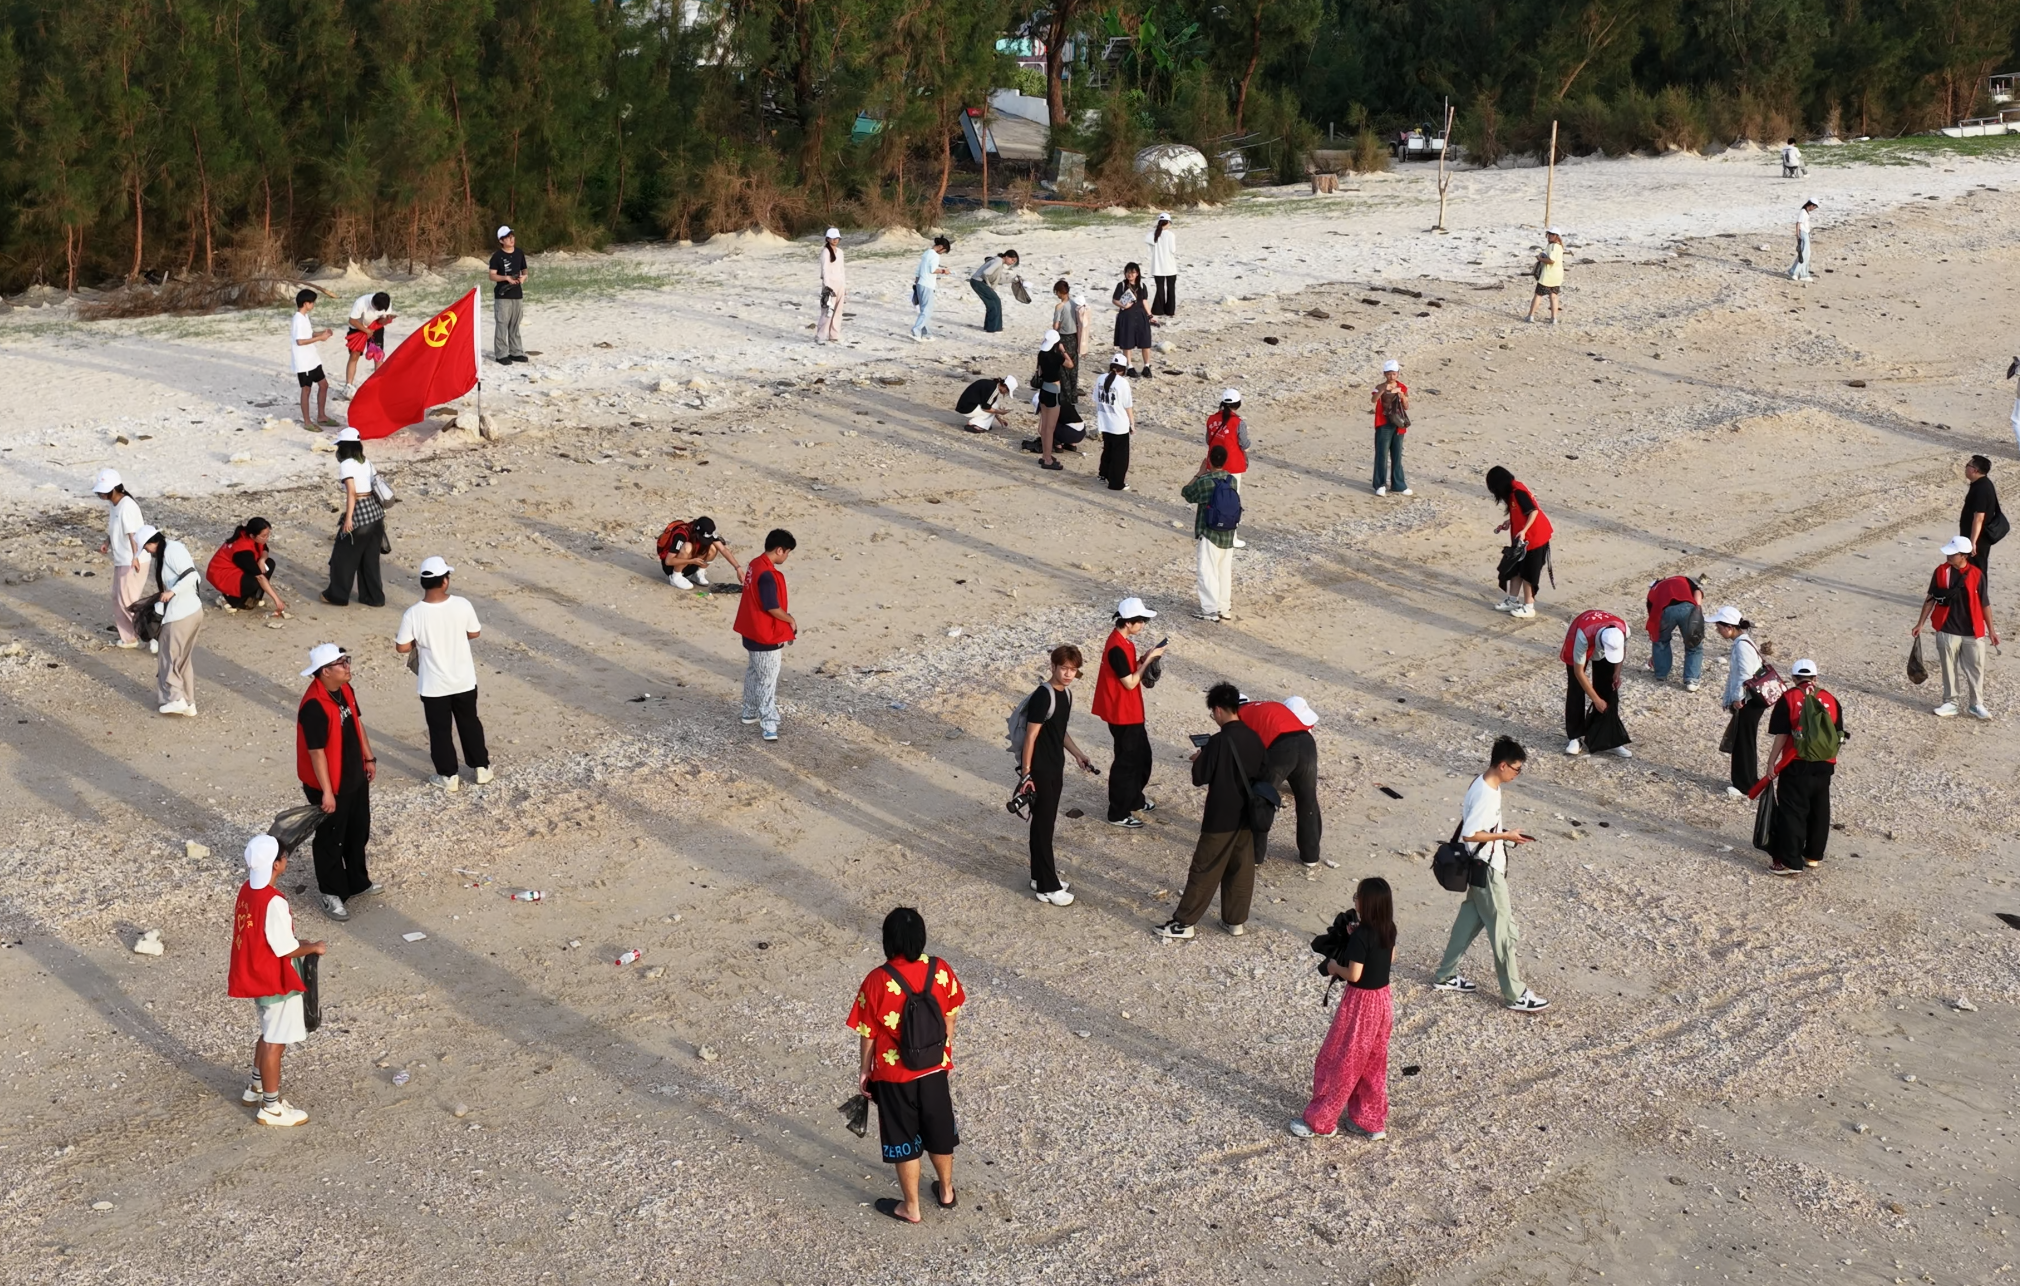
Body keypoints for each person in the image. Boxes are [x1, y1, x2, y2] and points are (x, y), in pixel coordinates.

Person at [846, 907, 964, 1224]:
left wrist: (865, 1069)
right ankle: (947, 1191)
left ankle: (911, 1207)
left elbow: (868, 1032)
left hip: (894, 1075)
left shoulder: (877, 980)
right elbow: (951, 1014)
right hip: (935, 1068)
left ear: (888, 940)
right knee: (939, 1130)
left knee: (904, 1138)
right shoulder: (940, 969)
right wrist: (941, 1051)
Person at [1434, 736, 1548, 1012]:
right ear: (1502, 765)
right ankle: (1514, 994)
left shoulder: (1483, 782)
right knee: (1504, 932)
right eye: (1516, 769)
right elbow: (1470, 834)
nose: (1517, 774)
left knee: (1467, 924)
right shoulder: (1487, 793)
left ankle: (1445, 976)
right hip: (1487, 870)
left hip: (1480, 866)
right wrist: (1505, 836)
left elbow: (1481, 828)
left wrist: (1506, 836)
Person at [228, 834, 326, 1127]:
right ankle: (270, 1107)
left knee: (268, 1031)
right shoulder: (274, 901)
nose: (286, 861)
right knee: (275, 1041)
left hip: (256, 974)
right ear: (276, 864)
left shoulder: (247, 890)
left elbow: (262, 936)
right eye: (284, 857)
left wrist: (299, 943)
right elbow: (284, 948)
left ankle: (255, 1086)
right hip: (276, 979)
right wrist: (313, 947)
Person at [1288, 876, 1395, 1141]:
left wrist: (1334, 967)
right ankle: (1370, 1121)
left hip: (1360, 1006)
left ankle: (1321, 1121)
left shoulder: (1361, 936)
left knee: (1339, 1060)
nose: (1355, 901)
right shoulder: (1389, 928)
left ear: (1366, 903)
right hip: (1382, 1001)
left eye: (1357, 896)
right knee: (1373, 1063)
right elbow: (1391, 956)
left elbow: (1354, 975)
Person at [1158, 682, 1265, 938]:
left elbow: (1200, 777)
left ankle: (1183, 924)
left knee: (1204, 869)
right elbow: (1265, 771)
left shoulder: (1218, 741)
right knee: (1240, 869)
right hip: (1248, 816)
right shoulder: (1254, 737)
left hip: (1221, 816)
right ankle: (1234, 921)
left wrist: (1200, 758)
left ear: (1217, 710)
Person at [295, 643, 380, 920]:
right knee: (331, 838)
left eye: (347, 660)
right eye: (341, 663)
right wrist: (327, 793)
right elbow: (316, 753)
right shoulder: (313, 706)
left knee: (358, 831)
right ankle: (331, 893)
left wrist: (369, 758)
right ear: (325, 672)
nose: (347, 667)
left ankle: (357, 882)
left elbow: (357, 722)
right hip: (328, 784)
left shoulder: (345, 689)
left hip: (354, 774)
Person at [396, 556, 493, 791]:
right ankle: (481, 768)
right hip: (463, 679)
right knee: (469, 722)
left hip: (433, 684)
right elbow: (474, 632)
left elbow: (402, 647)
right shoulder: (462, 604)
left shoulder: (413, 613)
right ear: (445, 581)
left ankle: (449, 776)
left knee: (439, 730)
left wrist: (419, 641)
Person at [1017, 644, 1097, 905]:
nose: (1068, 674)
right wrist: (1026, 774)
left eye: (1073, 669)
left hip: (1055, 766)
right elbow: (1031, 736)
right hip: (1040, 769)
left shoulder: (1067, 695)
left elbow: (1058, 731)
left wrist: (1078, 754)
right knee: (1043, 826)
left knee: (1045, 823)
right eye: (1064, 668)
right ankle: (1048, 887)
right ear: (1053, 666)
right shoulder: (1044, 695)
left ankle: (1039, 876)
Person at [1755, 659, 1846, 876]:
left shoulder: (1789, 698)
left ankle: (1790, 862)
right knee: (1819, 809)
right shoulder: (1830, 699)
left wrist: (1771, 763)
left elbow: (1782, 735)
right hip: (1824, 765)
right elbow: (1838, 734)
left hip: (1796, 763)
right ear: (1815, 678)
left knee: (1793, 811)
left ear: (1794, 678)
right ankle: (1813, 856)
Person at [1090, 600, 1166, 830]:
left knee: (1141, 757)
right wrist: (1148, 661)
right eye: (1140, 621)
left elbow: (1130, 670)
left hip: (1130, 712)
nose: (1143, 624)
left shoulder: (1122, 642)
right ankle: (1118, 812)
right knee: (1126, 763)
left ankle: (1134, 799)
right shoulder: (1116, 647)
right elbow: (1130, 682)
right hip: (1122, 714)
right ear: (1128, 622)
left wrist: (1143, 659)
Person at [1914, 536, 1997, 719]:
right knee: (1948, 667)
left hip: (1972, 631)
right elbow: (1930, 598)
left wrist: (1991, 631)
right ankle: (1950, 703)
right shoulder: (1941, 571)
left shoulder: (1977, 574)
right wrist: (1920, 623)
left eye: (1952, 554)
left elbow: (1985, 604)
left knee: (1975, 668)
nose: (1948, 556)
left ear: (1963, 555)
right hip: (1947, 628)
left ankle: (1976, 704)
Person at [1240, 695, 1322, 868]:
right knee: (1308, 799)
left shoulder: (1238, 717)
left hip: (1283, 748)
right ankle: (1311, 856)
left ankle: (1255, 855)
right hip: (1307, 743)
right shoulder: (1264, 707)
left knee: (1262, 796)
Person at [735, 529, 797, 742]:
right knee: (767, 679)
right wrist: (790, 619)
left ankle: (749, 711)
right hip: (765, 635)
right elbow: (772, 607)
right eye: (787, 552)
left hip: (750, 631)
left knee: (754, 672)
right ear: (779, 550)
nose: (786, 556)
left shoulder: (755, 564)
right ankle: (769, 722)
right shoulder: (768, 576)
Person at [139, 526, 204, 717]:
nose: (146, 551)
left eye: (145, 547)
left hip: (180, 615)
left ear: (152, 543)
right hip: (192, 611)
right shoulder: (171, 548)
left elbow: (193, 575)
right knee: (182, 660)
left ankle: (176, 699)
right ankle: (189, 702)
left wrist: (172, 592)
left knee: (168, 657)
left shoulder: (171, 551)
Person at [1711, 605, 1774, 798]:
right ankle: (1747, 781)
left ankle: (1745, 785)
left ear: (1729, 627)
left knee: (1743, 741)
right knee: (1744, 740)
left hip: (1749, 701)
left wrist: (1738, 698)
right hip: (1752, 700)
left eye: (1719, 627)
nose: (1718, 631)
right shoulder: (1744, 642)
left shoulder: (1741, 645)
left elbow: (1745, 675)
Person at [322, 430, 385, 608]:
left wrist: (349, 518)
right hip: (376, 513)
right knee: (370, 559)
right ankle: (374, 597)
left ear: (344, 447)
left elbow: (352, 492)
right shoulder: (366, 462)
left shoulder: (347, 465)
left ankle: (338, 595)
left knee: (343, 558)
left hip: (360, 514)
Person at [92, 468, 152, 651]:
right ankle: (129, 637)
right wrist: (107, 541)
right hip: (122, 559)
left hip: (132, 560)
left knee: (128, 602)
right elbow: (116, 528)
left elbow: (133, 534)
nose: (101, 494)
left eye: (103, 491)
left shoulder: (127, 506)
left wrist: (135, 557)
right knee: (118, 599)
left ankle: (152, 634)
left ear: (114, 489)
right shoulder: (115, 503)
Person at [1562, 609, 1631, 758]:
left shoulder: (1623, 630)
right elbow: (1579, 672)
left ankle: (1608, 739)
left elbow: (1622, 650)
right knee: (1576, 688)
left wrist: (1617, 672)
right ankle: (1575, 737)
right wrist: (1596, 700)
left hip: (1601, 639)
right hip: (1583, 633)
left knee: (1609, 687)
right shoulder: (1582, 635)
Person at [1183, 444, 1239, 622]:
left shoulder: (1205, 482)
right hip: (1228, 532)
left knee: (1207, 571)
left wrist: (1199, 473)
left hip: (1209, 532)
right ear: (1225, 461)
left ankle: (1209, 610)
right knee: (1224, 571)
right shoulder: (1232, 480)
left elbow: (1186, 493)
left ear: (1209, 461)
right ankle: (1224, 608)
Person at [1487, 465, 1552, 618]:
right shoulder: (1513, 492)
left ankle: (1529, 606)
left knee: (1528, 573)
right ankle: (1512, 600)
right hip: (1523, 540)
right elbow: (1521, 512)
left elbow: (1533, 511)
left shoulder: (1518, 492)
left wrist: (1524, 530)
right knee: (1515, 569)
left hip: (1535, 538)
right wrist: (1510, 522)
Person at [207, 517, 286, 616]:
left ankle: (253, 597)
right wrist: (277, 600)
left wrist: (262, 560)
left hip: (237, 568)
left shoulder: (251, 535)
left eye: (268, 535)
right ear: (252, 535)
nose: (267, 538)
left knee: (269, 564)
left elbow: (265, 549)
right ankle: (228, 598)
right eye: (264, 536)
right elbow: (260, 577)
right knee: (254, 581)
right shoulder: (242, 551)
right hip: (223, 575)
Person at [1645, 574, 1706, 692]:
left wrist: (1655, 656)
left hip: (1664, 610)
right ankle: (1692, 680)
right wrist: (1697, 610)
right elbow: (1697, 592)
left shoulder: (1653, 591)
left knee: (1661, 642)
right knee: (1693, 644)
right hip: (1687, 607)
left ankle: (1661, 674)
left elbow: (1653, 620)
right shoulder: (1682, 579)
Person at [290, 288, 338, 429]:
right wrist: (320, 338)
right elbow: (300, 341)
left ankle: (321, 416)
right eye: (312, 302)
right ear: (306, 303)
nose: (313, 305)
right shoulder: (298, 319)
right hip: (303, 362)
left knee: (324, 385)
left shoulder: (305, 317)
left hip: (313, 359)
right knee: (306, 390)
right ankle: (307, 422)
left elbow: (308, 334)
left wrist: (322, 333)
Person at [656, 515, 742, 589]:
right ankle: (676, 577)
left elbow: (723, 549)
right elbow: (668, 561)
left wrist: (738, 568)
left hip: (692, 563)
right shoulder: (681, 535)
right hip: (672, 567)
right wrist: (691, 561)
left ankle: (698, 574)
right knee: (687, 547)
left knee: (713, 547)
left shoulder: (708, 532)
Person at [1960, 455, 2003, 601]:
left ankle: (1980, 600)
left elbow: (1979, 517)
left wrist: (1973, 542)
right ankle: (1971, 597)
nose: (1965, 467)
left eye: (1968, 465)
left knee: (1977, 568)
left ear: (1975, 470)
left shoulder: (1982, 488)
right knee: (1971, 567)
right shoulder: (1980, 484)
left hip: (1978, 537)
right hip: (1975, 536)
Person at [1030, 329, 1073, 470]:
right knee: (1050, 428)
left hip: (1043, 390)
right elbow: (1070, 364)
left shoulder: (1041, 354)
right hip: (1053, 391)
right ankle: (1048, 459)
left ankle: (1045, 456)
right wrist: (1063, 351)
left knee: (1044, 427)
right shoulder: (1056, 356)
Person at [1093, 355, 1136, 491]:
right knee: (1120, 455)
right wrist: (1132, 423)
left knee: (1108, 449)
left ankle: (1103, 474)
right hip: (1119, 424)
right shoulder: (1122, 383)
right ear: (1123, 369)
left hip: (1105, 422)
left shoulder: (1100, 378)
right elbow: (1127, 405)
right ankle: (1116, 483)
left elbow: (1096, 399)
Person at [341, 290, 395, 396]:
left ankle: (378, 383)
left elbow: (381, 321)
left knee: (378, 355)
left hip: (376, 328)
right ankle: (348, 385)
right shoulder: (361, 302)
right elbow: (352, 320)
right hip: (357, 328)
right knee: (354, 355)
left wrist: (387, 320)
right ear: (374, 304)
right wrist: (366, 331)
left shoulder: (386, 304)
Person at [1371, 359, 1410, 497]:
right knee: (1382, 454)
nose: (1391, 376)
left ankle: (1398, 485)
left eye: (1393, 373)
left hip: (1398, 424)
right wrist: (1383, 390)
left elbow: (1406, 406)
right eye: (1388, 374)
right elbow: (1373, 400)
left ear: (1398, 373)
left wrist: (1402, 395)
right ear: (1384, 374)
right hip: (1383, 424)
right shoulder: (1380, 386)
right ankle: (1380, 484)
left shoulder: (1402, 387)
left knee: (1397, 455)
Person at [490, 226, 528, 362]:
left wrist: (523, 277)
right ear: (501, 240)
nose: (511, 240)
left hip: (517, 294)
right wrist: (506, 278)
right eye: (508, 237)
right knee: (502, 324)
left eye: (512, 236)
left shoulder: (519, 253)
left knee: (515, 324)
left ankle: (516, 352)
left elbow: (524, 269)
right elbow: (492, 275)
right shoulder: (497, 256)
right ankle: (501, 354)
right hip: (503, 295)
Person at [1112, 263, 1153, 377]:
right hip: (1126, 316)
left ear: (1137, 273)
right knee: (1127, 342)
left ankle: (1147, 366)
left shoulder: (1142, 285)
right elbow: (1115, 300)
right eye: (1128, 272)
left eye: (1133, 272)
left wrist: (1150, 315)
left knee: (1145, 342)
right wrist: (1124, 306)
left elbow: (1144, 301)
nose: (1130, 275)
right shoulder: (1121, 285)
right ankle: (1129, 366)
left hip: (1141, 316)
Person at [968, 249, 1018, 333]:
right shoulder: (998, 261)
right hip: (978, 282)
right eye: (1012, 259)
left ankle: (992, 327)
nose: (1012, 262)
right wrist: (988, 285)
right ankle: (993, 328)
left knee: (993, 302)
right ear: (1006, 256)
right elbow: (986, 272)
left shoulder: (998, 261)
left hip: (977, 281)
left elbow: (997, 278)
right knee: (995, 301)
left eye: (1014, 261)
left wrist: (1012, 280)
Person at [911, 235, 951, 341]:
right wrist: (944, 271)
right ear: (941, 247)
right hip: (927, 284)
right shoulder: (935, 255)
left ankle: (926, 334)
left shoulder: (927, 253)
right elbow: (933, 270)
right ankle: (916, 330)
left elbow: (918, 269)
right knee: (927, 311)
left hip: (920, 283)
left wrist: (917, 281)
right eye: (944, 251)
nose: (942, 253)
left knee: (924, 310)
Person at [1050, 280, 1081, 402]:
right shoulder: (1075, 304)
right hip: (1074, 338)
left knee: (1063, 370)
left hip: (1063, 338)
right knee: (1074, 369)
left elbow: (1055, 326)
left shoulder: (1059, 306)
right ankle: (1074, 396)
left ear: (1059, 292)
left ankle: (1066, 397)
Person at [1525, 228, 1565, 324]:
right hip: (1557, 275)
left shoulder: (1553, 246)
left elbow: (1551, 260)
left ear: (1557, 236)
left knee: (1538, 295)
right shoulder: (1559, 247)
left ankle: (1531, 316)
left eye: (1552, 234)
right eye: (1549, 234)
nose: (1550, 236)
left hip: (1548, 275)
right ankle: (1554, 318)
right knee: (1553, 295)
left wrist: (1540, 258)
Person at [1146, 212, 1178, 324]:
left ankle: (1158, 310)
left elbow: (1149, 248)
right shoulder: (1170, 235)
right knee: (1171, 289)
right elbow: (1173, 250)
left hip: (1157, 266)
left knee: (1160, 288)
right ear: (1168, 222)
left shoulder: (1152, 234)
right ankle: (1170, 310)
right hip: (1170, 266)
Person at [816, 228, 846, 344]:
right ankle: (821, 335)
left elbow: (842, 270)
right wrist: (827, 286)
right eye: (833, 238)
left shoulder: (840, 252)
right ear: (828, 239)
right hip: (830, 285)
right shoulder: (825, 252)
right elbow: (824, 270)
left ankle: (834, 335)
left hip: (840, 284)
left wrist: (844, 285)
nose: (835, 240)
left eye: (837, 238)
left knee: (838, 311)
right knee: (827, 311)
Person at [1789, 200, 1817, 283]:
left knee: (1806, 254)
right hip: (1803, 234)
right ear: (1811, 205)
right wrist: (1797, 234)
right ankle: (1794, 272)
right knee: (1803, 254)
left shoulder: (1806, 212)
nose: (1813, 209)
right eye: (1814, 207)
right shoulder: (1803, 212)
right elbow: (1798, 223)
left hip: (1806, 234)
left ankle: (1803, 274)